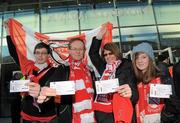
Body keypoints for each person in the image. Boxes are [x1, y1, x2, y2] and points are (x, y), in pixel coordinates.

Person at [6, 35, 72, 123]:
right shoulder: (28, 67)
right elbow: (14, 53)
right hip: (28, 115)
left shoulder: (56, 70)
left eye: (43, 53)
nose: (40, 55)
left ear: (48, 55)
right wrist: (8, 33)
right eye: (37, 53)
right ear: (34, 54)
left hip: (48, 116)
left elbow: (59, 92)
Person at [37, 38, 96, 123]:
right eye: (74, 49)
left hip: (91, 116)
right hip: (71, 117)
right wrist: (47, 95)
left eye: (80, 49)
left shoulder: (89, 70)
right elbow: (49, 86)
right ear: (69, 51)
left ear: (84, 51)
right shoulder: (63, 68)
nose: (78, 51)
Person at [89, 24, 138, 123]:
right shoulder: (103, 67)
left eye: (110, 53)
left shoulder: (127, 65)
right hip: (103, 112)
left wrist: (131, 94)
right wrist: (99, 37)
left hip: (120, 110)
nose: (108, 56)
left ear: (116, 52)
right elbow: (93, 53)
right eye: (105, 54)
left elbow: (133, 88)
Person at [131, 42, 175, 123]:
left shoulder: (161, 78)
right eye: (137, 58)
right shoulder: (134, 80)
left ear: (150, 59)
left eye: (144, 57)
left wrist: (164, 117)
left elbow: (173, 102)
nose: (140, 61)